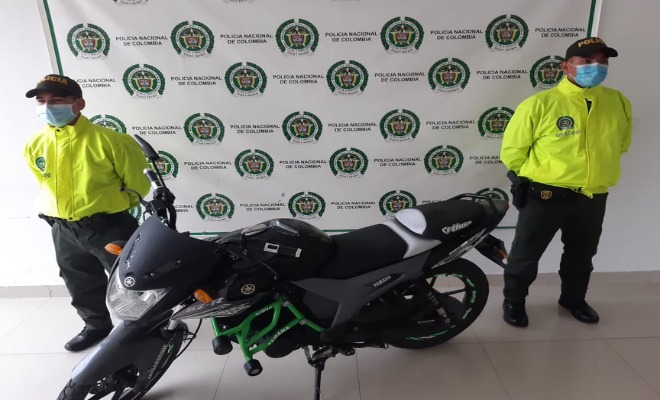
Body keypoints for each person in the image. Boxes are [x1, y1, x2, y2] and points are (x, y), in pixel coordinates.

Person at [499, 37, 633, 327]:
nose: (597, 67)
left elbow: (621, 144)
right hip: (545, 195)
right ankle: (514, 301)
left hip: (592, 195)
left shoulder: (618, 102)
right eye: (587, 61)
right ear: (566, 67)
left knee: (582, 255)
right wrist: (535, 179)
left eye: (603, 61)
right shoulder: (540, 104)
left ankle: (573, 299)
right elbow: (512, 152)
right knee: (526, 254)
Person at [23, 74, 150, 350]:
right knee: (79, 280)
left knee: (130, 280)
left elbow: (137, 185)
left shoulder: (112, 141)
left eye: (57, 100)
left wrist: (108, 209)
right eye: (41, 101)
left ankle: (146, 328)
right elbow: (43, 182)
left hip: (108, 227)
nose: (47, 107)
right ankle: (96, 326)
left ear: (79, 103)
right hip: (63, 229)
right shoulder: (35, 143)